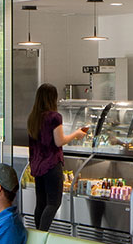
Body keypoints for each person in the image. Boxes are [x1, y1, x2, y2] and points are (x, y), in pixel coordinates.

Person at [25, 83, 87, 233]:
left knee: (41, 202)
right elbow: (59, 141)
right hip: (51, 164)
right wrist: (76, 134)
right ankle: (43, 233)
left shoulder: (33, 117)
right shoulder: (54, 117)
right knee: (53, 202)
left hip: (37, 165)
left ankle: (37, 234)